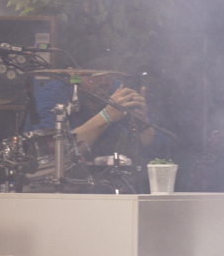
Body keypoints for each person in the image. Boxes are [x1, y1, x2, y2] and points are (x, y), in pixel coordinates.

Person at [27, 70, 164, 192]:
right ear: (74, 74)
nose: (104, 80)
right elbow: (52, 151)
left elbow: (152, 147)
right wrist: (107, 115)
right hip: (58, 186)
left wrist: (142, 121)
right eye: (94, 75)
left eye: (108, 74)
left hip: (109, 185)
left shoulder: (119, 91)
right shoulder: (54, 94)